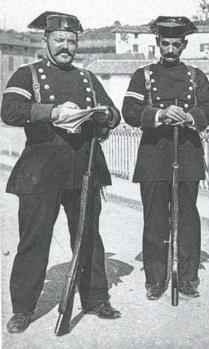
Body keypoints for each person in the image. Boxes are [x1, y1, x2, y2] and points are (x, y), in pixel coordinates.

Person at [1, 11, 122, 334]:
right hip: (40, 172)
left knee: (87, 238)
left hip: (84, 169)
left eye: (71, 41)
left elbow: (114, 113)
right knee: (34, 240)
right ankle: (23, 309)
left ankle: (95, 298)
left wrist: (105, 115)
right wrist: (52, 112)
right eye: (59, 40)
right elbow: (10, 110)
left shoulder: (87, 78)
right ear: (45, 42)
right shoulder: (28, 75)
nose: (66, 46)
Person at [122, 16, 209, 300]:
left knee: (188, 219)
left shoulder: (196, 76)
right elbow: (128, 110)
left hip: (187, 155)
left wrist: (191, 116)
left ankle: (188, 278)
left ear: (184, 45)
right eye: (165, 43)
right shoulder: (143, 75)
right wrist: (160, 115)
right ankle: (156, 279)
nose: (170, 49)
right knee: (154, 220)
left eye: (176, 44)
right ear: (157, 43)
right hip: (153, 157)